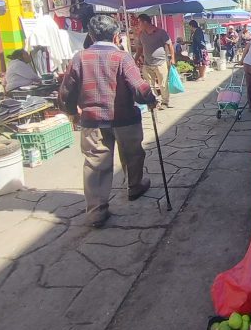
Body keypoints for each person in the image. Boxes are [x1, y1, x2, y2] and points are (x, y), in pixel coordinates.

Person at [59, 15, 156, 228]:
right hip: (125, 119)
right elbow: (139, 88)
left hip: (93, 121)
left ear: (91, 36)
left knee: (95, 164)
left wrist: (70, 111)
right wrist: (150, 98)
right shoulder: (122, 57)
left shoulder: (79, 58)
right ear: (115, 36)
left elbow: (66, 91)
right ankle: (135, 186)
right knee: (133, 154)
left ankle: (96, 211)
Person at [134, 13, 174, 109]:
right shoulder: (141, 35)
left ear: (145, 22)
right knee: (149, 85)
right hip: (147, 63)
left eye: (139, 23)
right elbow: (140, 48)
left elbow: (170, 45)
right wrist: (135, 59)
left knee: (163, 84)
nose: (138, 25)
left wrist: (172, 58)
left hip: (161, 62)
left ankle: (165, 102)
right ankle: (155, 101)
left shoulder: (161, 32)